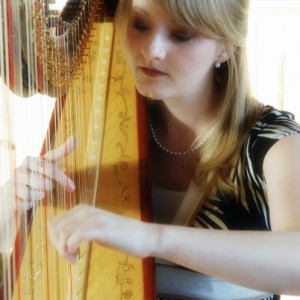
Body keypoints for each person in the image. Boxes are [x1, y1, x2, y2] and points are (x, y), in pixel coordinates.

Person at [7, 0, 300, 299]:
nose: (152, 50)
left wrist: (152, 238)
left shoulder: (275, 142)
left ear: (224, 46)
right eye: (140, 25)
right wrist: (10, 203)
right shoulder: (102, 118)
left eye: (181, 34)